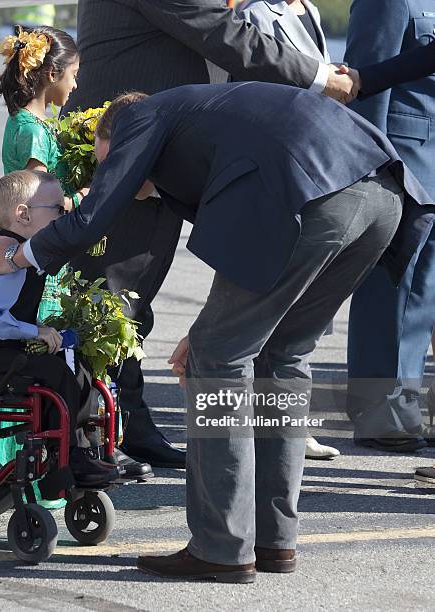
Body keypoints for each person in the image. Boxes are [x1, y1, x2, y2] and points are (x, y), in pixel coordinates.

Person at [0, 82, 433, 582]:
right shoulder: (200, 123)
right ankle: (274, 539)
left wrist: (16, 255)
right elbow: (245, 242)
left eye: (109, 160)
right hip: (380, 197)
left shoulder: (138, 120)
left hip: (309, 196)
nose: (113, 172)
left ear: (115, 134)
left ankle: (221, 546)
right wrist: (211, 327)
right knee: (284, 354)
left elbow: (96, 213)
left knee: (219, 360)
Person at [59, 0, 360, 470]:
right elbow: (219, 30)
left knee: (130, 296)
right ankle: (87, 436)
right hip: (125, 140)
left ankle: (124, 423)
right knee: (111, 292)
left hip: (155, 141)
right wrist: (319, 78)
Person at [0, 25, 151, 479]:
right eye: (74, 74)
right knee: (58, 346)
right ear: (51, 73)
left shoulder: (43, 125)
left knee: (73, 346)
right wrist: (89, 195)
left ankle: (86, 443)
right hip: (40, 250)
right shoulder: (29, 129)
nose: (77, 85)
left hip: (56, 252)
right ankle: (71, 450)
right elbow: (36, 197)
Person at [0, 170, 121, 488]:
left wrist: (40, 330)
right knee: (57, 372)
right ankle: (64, 460)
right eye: (56, 210)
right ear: (22, 215)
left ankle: (79, 451)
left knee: (77, 367)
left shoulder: (18, 252)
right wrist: (34, 331)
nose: (62, 215)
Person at [238, 0, 340, 461]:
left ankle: (287, 427)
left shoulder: (311, 11)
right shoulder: (255, 13)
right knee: (271, 307)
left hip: (316, 158)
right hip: (283, 164)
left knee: (300, 316)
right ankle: (269, 427)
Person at [344, 0, 435, 453]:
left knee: (422, 298)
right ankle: (380, 416)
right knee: (390, 291)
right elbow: (367, 81)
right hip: (403, 161)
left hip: (434, 163)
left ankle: (407, 410)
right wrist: (374, 169)